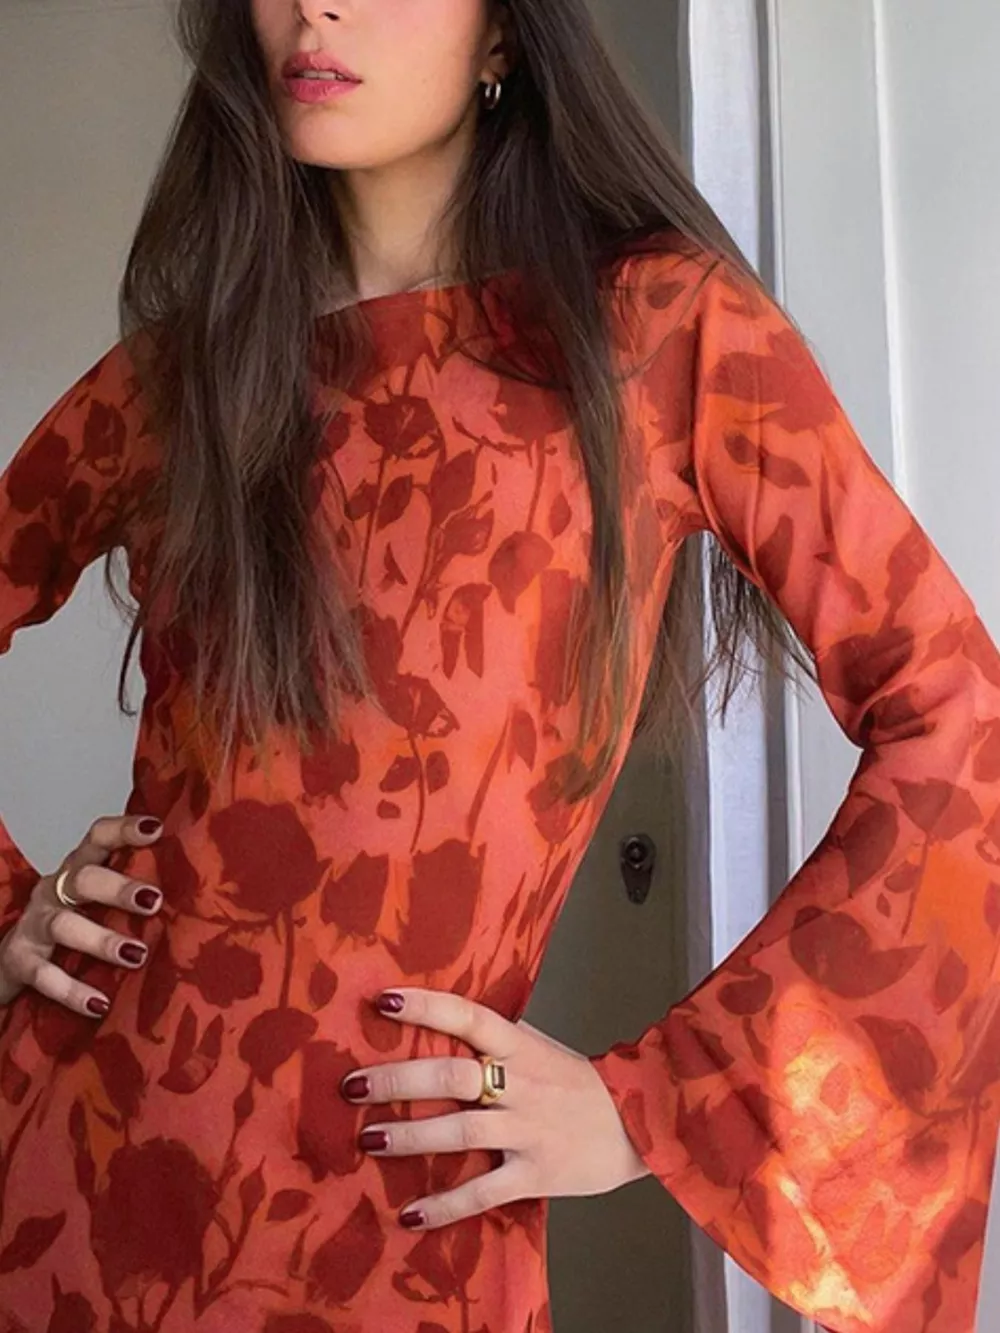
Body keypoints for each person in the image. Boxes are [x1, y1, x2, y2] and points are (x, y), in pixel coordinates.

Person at [0, 0, 998, 1330]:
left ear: (506, 37)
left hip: (402, 1221)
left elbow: (956, 715)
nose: (314, 6)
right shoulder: (181, 375)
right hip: (68, 1171)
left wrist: (654, 1105)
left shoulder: (666, 333)